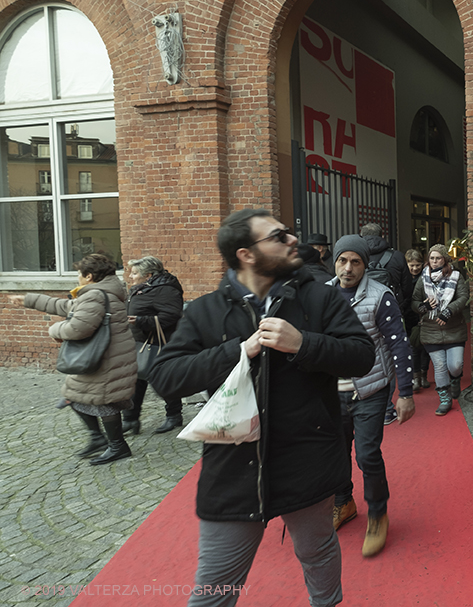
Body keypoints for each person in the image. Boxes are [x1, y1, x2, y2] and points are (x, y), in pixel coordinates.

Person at [147, 209, 374, 607]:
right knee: (213, 589)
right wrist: (236, 352)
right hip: (234, 472)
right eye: (278, 236)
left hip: (308, 462)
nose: (292, 240)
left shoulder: (319, 297)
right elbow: (165, 376)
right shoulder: (205, 311)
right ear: (246, 254)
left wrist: (304, 343)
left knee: (317, 554)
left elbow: (361, 355)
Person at [327, 235, 415, 557]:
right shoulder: (322, 294)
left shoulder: (380, 296)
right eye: (342, 261)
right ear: (334, 262)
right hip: (331, 392)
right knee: (335, 454)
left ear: (365, 265)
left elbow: (398, 344)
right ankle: (343, 502)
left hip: (370, 390)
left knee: (366, 455)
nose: (348, 268)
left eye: (355, 262)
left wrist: (404, 392)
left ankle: (378, 514)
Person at [10, 253, 137, 465]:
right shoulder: (100, 293)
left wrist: (54, 329)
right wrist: (28, 299)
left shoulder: (96, 295)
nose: (77, 277)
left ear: (88, 276)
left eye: (79, 273)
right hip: (105, 357)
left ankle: (117, 446)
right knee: (75, 396)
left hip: (104, 360)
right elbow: (66, 307)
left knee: (104, 401)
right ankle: (99, 439)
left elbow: (78, 328)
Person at [359, 222, 414, 425]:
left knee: (366, 354)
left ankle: (366, 403)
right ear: (382, 235)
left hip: (363, 312)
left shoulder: (357, 256)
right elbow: (407, 287)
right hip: (392, 311)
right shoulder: (397, 257)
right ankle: (387, 409)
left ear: (361, 235)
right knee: (391, 354)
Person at [123, 256, 185, 435]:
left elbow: (172, 315)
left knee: (162, 378)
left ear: (148, 275)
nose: (131, 277)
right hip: (140, 342)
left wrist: (142, 321)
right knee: (135, 380)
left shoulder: (165, 289)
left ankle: (174, 415)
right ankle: (130, 419)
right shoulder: (144, 288)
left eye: (134, 273)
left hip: (158, 343)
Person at [412, 245, 469, 416]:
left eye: (438, 258)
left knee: (455, 365)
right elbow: (414, 302)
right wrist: (423, 306)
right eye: (432, 258)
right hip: (431, 329)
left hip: (454, 328)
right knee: (439, 365)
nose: (435, 261)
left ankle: (456, 378)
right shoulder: (423, 279)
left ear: (445, 258)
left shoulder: (456, 276)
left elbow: (463, 297)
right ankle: (445, 398)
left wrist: (448, 310)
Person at [404, 249, 431, 392]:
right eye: (412, 265)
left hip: (424, 315)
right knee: (414, 347)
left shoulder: (426, 277)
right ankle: (416, 377)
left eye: (417, 265)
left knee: (425, 348)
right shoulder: (405, 278)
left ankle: (424, 375)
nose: (415, 268)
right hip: (410, 316)